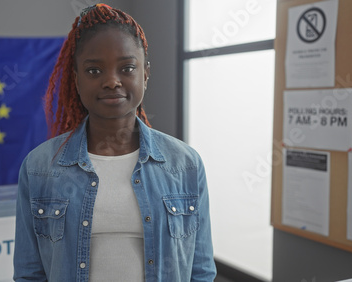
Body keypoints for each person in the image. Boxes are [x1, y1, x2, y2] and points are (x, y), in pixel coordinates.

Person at [13, 4, 216, 281]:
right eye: (94, 71)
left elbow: (201, 271)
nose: (111, 81)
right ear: (76, 79)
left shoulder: (185, 165)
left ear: (145, 73)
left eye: (127, 68)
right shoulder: (40, 168)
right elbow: (29, 274)